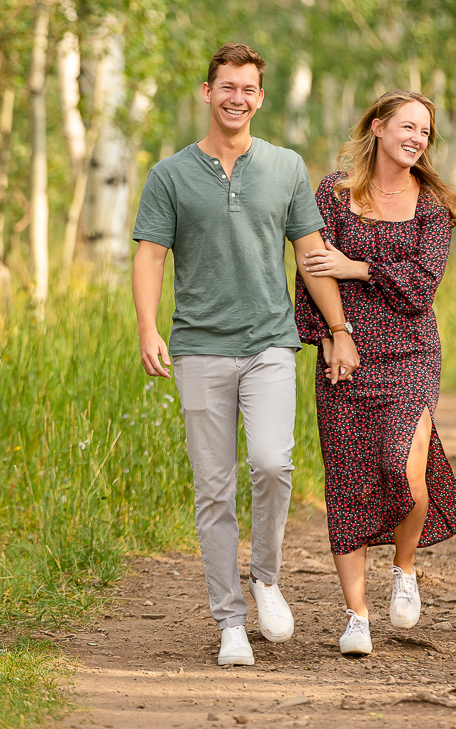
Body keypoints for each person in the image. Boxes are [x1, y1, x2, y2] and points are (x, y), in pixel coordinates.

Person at [132, 43, 360, 667]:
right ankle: (229, 621)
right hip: (199, 348)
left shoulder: (285, 168)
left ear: (260, 98)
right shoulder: (170, 175)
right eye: (225, 86)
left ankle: (264, 577)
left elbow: (312, 253)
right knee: (213, 488)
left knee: (271, 463)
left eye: (248, 89)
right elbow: (150, 255)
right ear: (207, 93)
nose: (236, 97)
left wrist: (338, 327)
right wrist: (148, 329)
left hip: (269, 345)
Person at [294, 89, 456, 657]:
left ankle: (405, 568)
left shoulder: (434, 207)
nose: (417, 138)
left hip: (410, 354)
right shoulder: (333, 191)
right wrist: (326, 336)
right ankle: (356, 617)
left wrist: (357, 266)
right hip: (346, 357)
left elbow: (421, 288)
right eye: (408, 126)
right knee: (347, 483)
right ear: (377, 127)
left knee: (401, 468)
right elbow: (309, 270)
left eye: (425, 132)